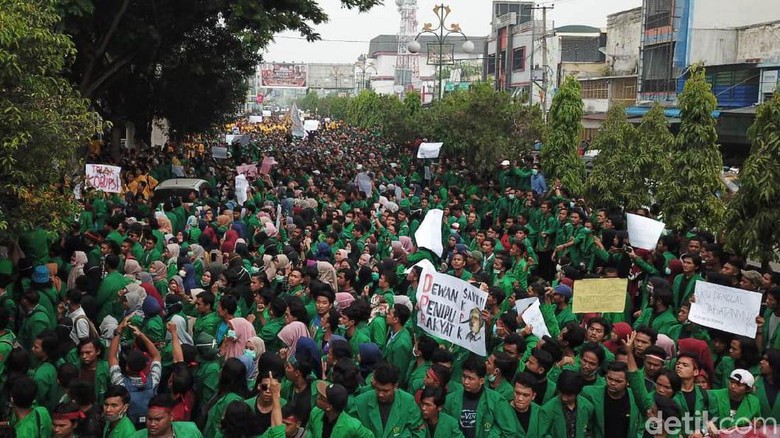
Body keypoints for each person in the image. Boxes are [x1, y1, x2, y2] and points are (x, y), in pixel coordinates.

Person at [442, 355, 518, 437]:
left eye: (471, 378)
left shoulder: (496, 400)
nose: (466, 382)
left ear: (481, 381)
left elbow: (509, 430)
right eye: (464, 377)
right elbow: (444, 428)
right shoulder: (450, 399)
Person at [108, 317, 162, 428]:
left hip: (129, 428)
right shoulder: (154, 380)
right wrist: (141, 334)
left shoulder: (120, 384)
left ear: (127, 367)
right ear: (146, 365)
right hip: (149, 427)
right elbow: (156, 355)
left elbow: (112, 357)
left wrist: (118, 331)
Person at [354, 361, 423, 437]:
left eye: (385, 391)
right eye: (378, 389)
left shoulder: (408, 402)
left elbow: (418, 430)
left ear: (395, 386)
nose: (380, 394)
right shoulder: (360, 402)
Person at [307, 381, 374, 438]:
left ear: (329, 407)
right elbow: (311, 430)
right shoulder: (315, 412)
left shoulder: (352, 426)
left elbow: (370, 436)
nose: (318, 397)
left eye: (321, 398)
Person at [540, 370, 593, 438]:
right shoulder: (547, 409)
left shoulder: (587, 407)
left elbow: (589, 431)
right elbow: (542, 434)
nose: (564, 398)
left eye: (569, 395)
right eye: (562, 393)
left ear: (577, 393)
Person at [132, 394, 203, 437]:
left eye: (158, 419)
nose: (152, 424)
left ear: (171, 416)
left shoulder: (191, 431)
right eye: (149, 419)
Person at [510, 372, 544, 437]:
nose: (520, 398)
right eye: (517, 393)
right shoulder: (503, 410)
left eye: (525, 395)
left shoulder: (539, 412)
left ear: (533, 396)